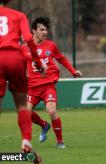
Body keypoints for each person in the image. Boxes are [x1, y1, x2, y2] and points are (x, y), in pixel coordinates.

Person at [24, 17, 82, 148]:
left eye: (46, 30)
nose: (44, 32)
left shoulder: (51, 45)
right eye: (41, 29)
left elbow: (61, 59)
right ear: (34, 30)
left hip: (47, 86)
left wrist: (73, 71)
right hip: (32, 87)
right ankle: (44, 125)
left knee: (52, 111)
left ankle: (60, 141)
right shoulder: (25, 47)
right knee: (25, 113)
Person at [0, 0, 43, 164]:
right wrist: (38, 61)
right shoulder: (18, 16)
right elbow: (28, 39)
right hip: (14, 58)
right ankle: (26, 140)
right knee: (21, 105)